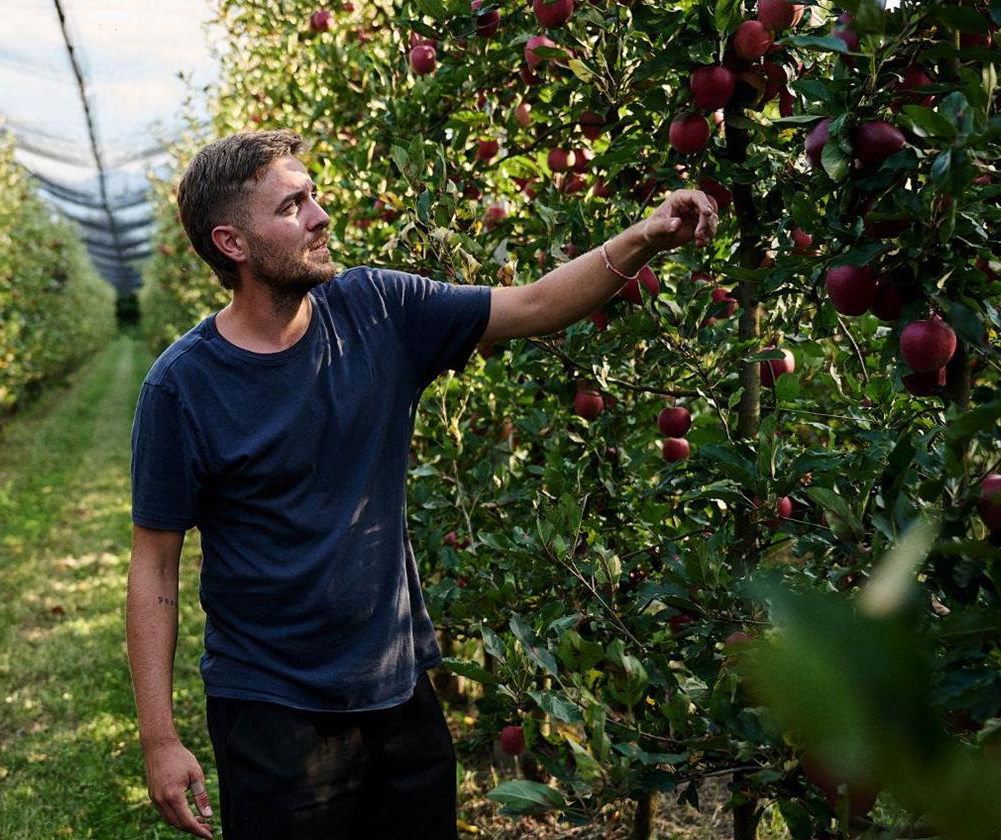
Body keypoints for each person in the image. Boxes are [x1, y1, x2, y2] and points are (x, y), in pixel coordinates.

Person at [126, 129, 717, 839]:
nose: (320, 217)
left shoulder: (377, 308)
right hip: (271, 707)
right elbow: (154, 567)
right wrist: (160, 741)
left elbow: (530, 306)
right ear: (232, 243)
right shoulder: (182, 387)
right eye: (292, 206)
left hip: (396, 685)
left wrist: (645, 237)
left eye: (313, 196)